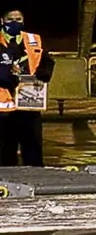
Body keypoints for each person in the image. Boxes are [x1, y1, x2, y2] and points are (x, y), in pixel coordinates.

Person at [0, 10, 55, 166]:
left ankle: (36, 181)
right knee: (5, 153)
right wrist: (8, 73)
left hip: (29, 104)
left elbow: (47, 62)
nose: (14, 22)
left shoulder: (33, 39)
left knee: (33, 150)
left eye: (18, 19)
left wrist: (41, 77)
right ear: (2, 20)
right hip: (4, 109)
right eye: (10, 19)